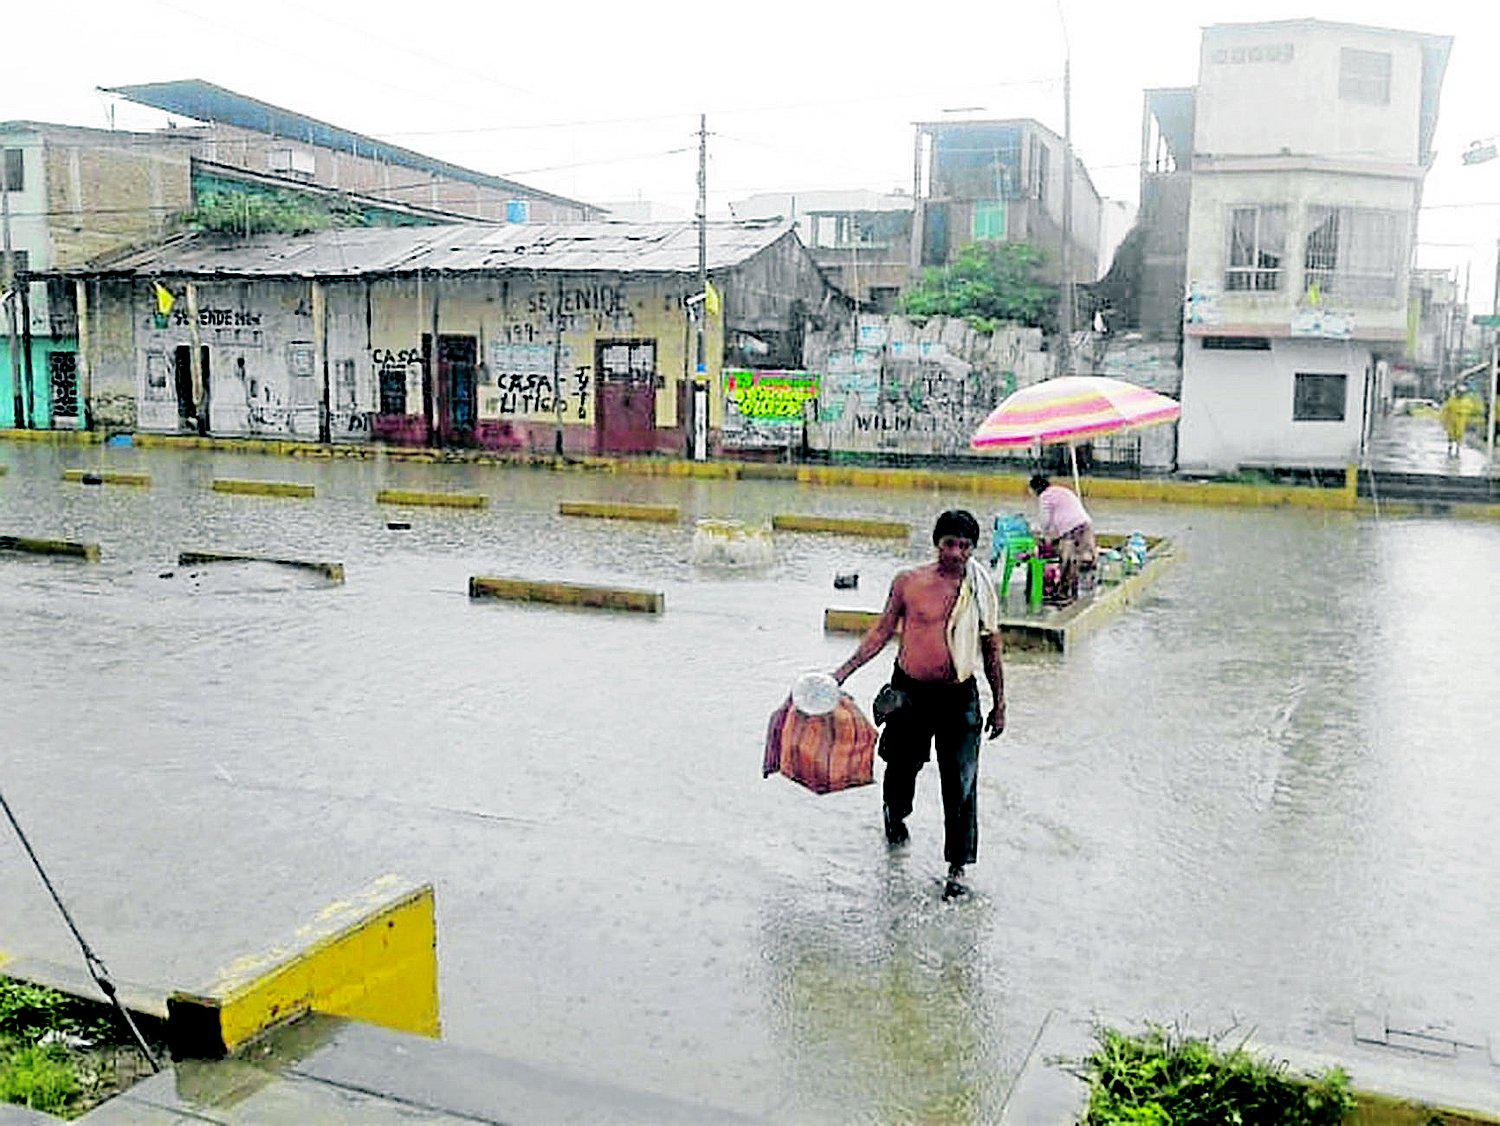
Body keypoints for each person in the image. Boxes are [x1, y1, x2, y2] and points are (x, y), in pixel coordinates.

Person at [832, 510, 1005, 900]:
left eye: (965, 546)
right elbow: (880, 632)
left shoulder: (978, 587)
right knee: (900, 766)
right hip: (909, 691)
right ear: (936, 543)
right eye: (950, 544)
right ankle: (895, 818)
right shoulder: (909, 582)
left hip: (958, 695)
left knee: (960, 782)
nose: (957, 553)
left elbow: (991, 645)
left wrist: (1000, 701)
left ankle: (958, 866)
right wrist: (841, 673)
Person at [1028, 474, 1095, 604]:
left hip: (1071, 528)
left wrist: (1039, 533)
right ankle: (1073, 592)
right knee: (1078, 559)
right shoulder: (1061, 490)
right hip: (1085, 524)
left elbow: (1045, 522)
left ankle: (1063, 594)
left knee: (1067, 561)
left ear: (1035, 489)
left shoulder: (1045, 496)